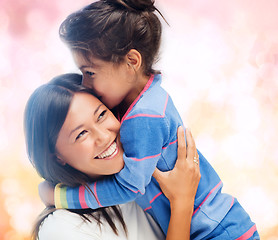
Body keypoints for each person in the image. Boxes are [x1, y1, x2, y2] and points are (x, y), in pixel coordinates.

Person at [41, 0, 259, 239]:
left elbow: (129, 186)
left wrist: (61, 196)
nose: (85, 84)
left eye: (90, 72)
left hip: (218, 231)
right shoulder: (149, 98)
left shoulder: (143, 117)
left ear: (131, 62)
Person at [24, 73, 200, 239]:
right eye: (81, 134)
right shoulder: (61, 228)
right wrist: (182, 202)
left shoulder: (141, 170)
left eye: (101, 114)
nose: (104, 136)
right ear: (57, 158)